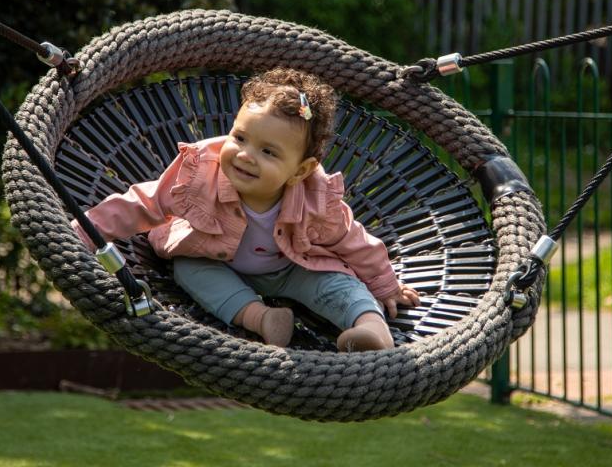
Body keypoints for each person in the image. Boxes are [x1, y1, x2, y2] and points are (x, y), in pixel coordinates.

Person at [71, 68, 420, 352]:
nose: (245, 155)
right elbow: (145, 202)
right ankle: (263, 319)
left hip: (294, 265)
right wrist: (87, 231)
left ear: (300, 170)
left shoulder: (316, 197)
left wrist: (385, 285)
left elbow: (353, 240)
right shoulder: (200, 175)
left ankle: (372, 332)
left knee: (341, 285)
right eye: (240, 138)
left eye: (269, 152)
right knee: (189, 269)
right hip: (212, 256)